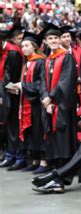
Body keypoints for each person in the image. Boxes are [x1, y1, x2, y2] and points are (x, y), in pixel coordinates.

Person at [40, 23, 78, 179]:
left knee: (63, 136)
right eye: (51, 38)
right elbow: (42, 80)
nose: (54, 40)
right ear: (46, 41)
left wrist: (52, 98)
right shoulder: (48, 59)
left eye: (56, 38)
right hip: (49, 104)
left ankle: (64, 170)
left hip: (62, 105)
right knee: (52, 136)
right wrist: (45, 98)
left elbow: (66, 81)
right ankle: (55, 167)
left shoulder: (66, 57)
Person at [8, 31, 47, 172]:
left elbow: (41, 84)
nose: (23, 48)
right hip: (27, 102)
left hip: (37, 103)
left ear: (34, 47)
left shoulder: (40, 62)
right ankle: (35, 160)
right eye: (22, 46)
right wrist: (17, 87)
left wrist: (23, 86)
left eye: (26, 45)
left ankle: (44, 162)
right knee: (32, 131)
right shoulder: (28, 62)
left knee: (39, 130)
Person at [0, 24, 25, 171]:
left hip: (13, 95)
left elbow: (12, 80)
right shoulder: (4, 51)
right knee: (9, 126)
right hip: (5, 93)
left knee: (15, 126)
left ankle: (18, 155)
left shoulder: (12, 53)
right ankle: (10, 153)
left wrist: (4, 94)